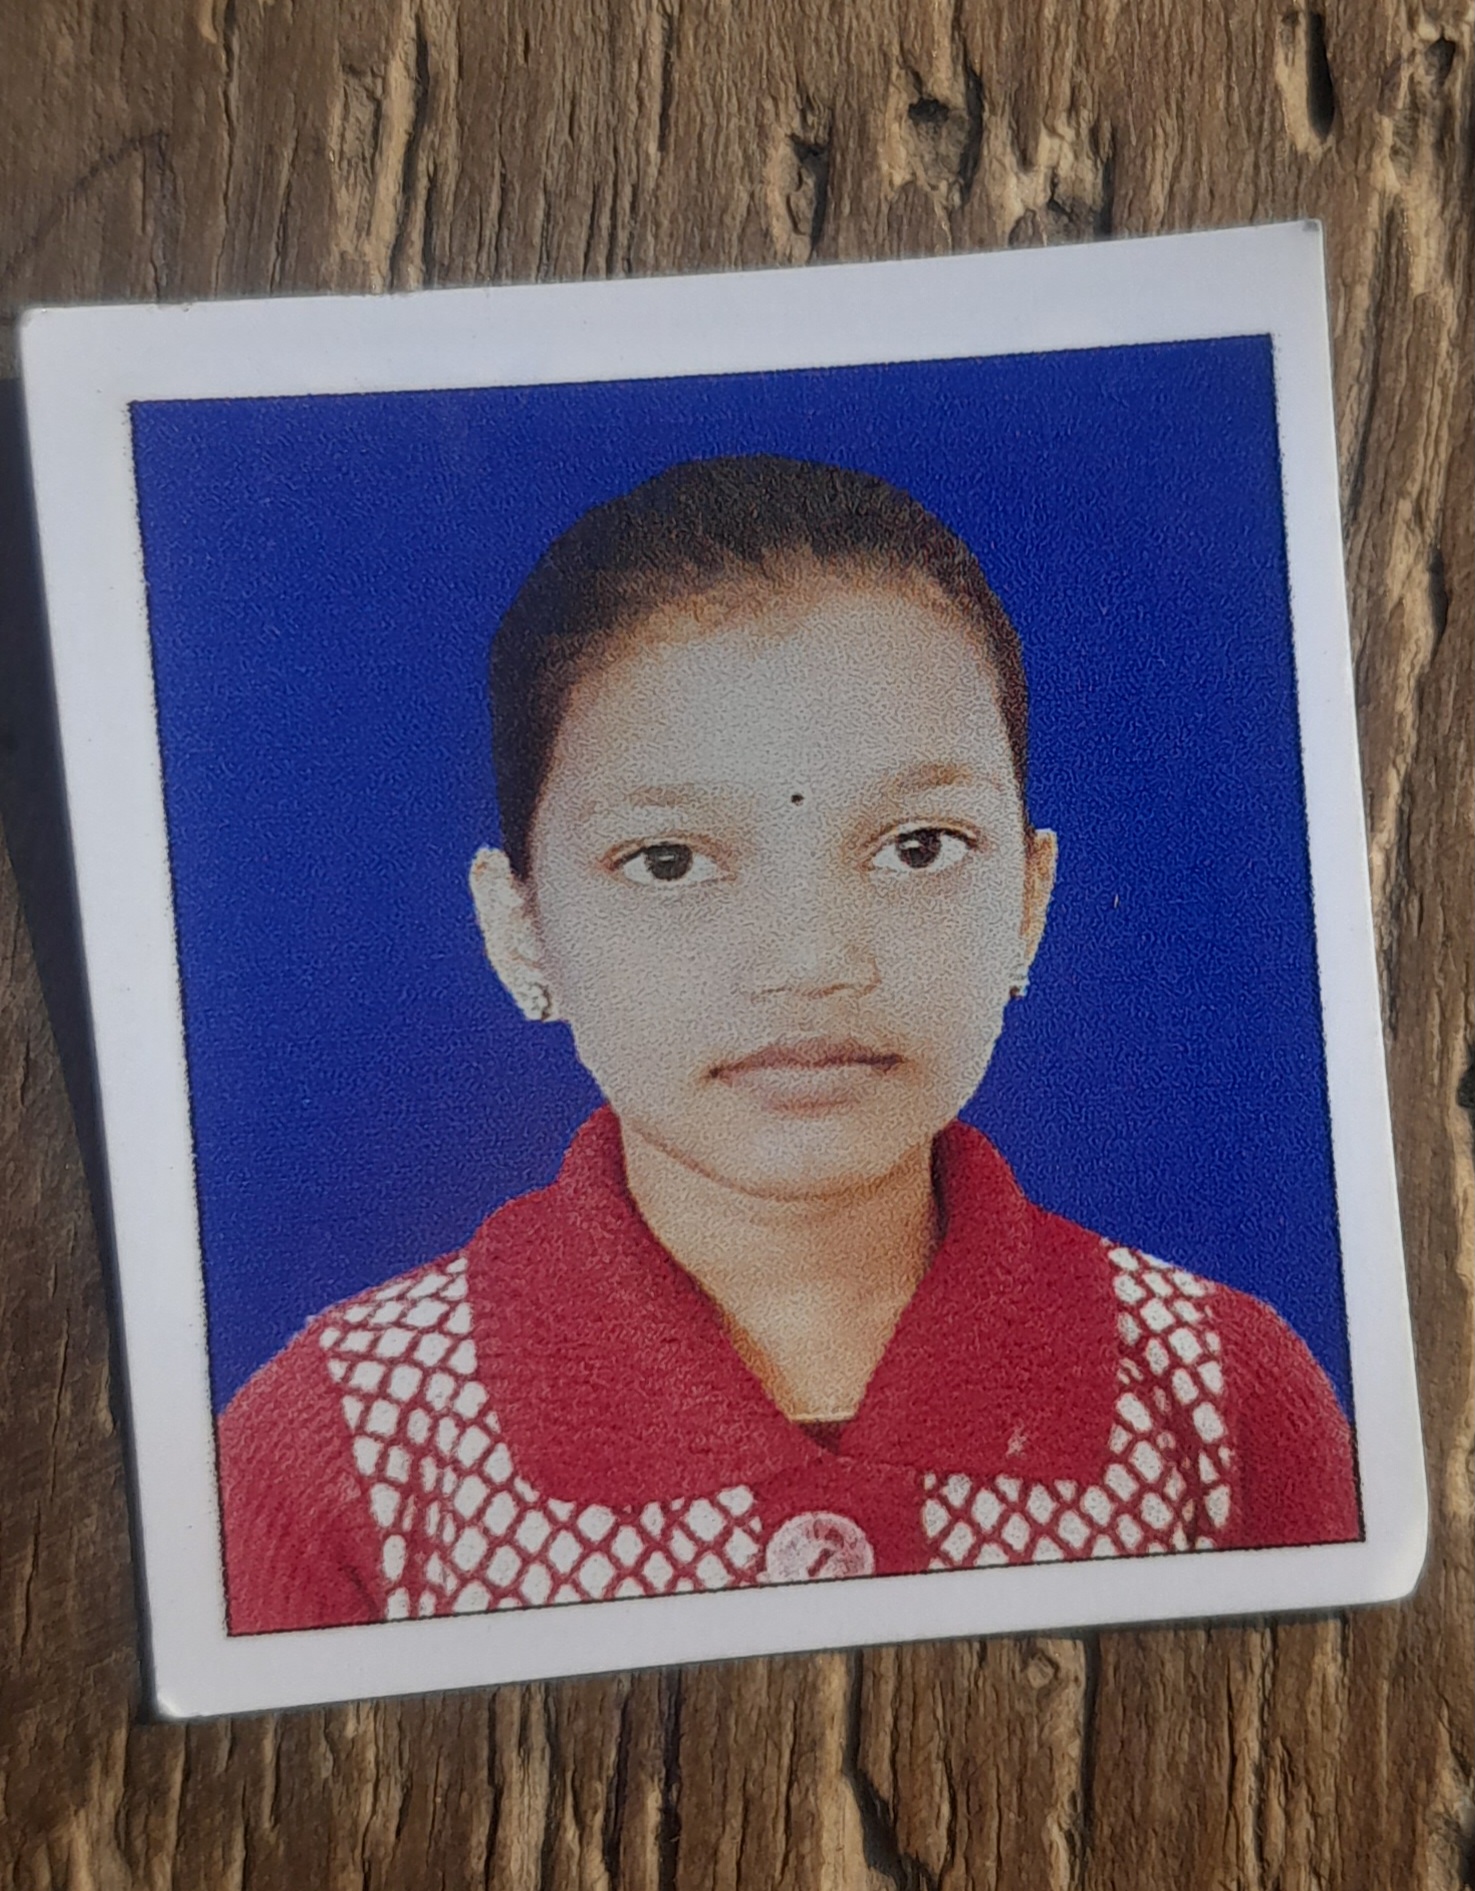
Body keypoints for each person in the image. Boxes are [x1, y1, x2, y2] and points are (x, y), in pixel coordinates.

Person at [217, 455, 1359, 1634]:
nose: (811, 960)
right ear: (520, 931)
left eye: (916, 845)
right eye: (669, 860)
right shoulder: (345, 1447)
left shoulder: (1219, 1397)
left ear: (1026, 903)